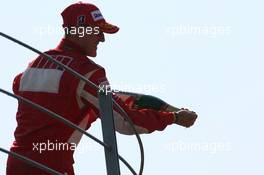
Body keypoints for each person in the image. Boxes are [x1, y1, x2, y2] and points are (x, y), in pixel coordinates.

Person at [6, 2, 198, 175]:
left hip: (16, 164)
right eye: (98, 31)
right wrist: (173, 118)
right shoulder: (88, 72)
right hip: (52, 168)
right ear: (80, 31)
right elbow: (125, 122)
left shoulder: (33, 65)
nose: (102, 39)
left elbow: (23, 87)